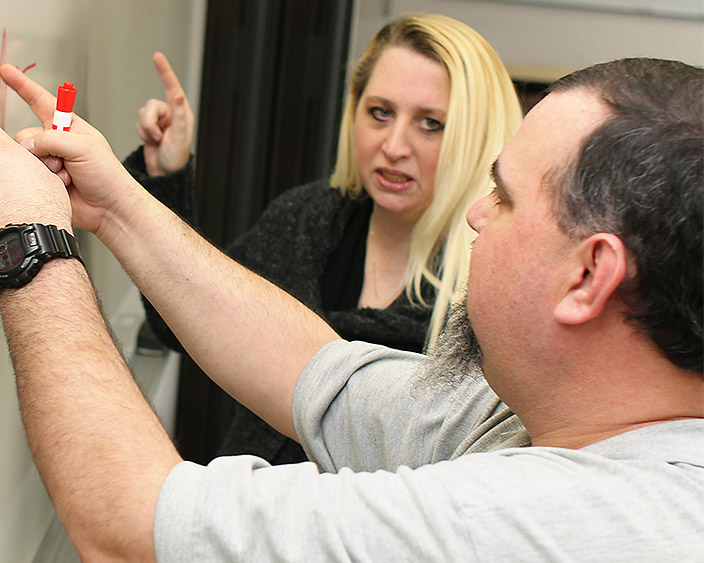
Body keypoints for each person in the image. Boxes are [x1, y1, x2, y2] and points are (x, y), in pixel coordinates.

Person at [0, 55, 703, 561]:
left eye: (501, 196)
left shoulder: (569, 528)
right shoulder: (545, 411)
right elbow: (312, 367)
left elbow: (130, 522)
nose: (475, 215)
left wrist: (25, 245)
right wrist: (120, 204)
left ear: (589, 275)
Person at [123, 14, 524, 464]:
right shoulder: (308, 218)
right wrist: (166, 175)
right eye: (381, 112)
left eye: (430, 123)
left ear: (475, 136)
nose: (394, 145)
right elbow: (180, 322)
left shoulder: (487, 282)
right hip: (252, 511)